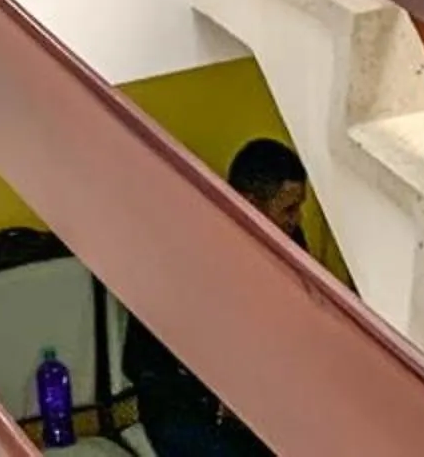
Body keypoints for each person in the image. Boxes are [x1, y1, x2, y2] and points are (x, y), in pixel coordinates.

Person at [122, 140, 311, 457]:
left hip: (255, 401)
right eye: (289, 209)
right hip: (182, 402)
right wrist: (220, 400)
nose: (297, 219)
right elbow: (148, 361)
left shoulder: (288, 241)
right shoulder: (188, 254)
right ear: (250, 204)